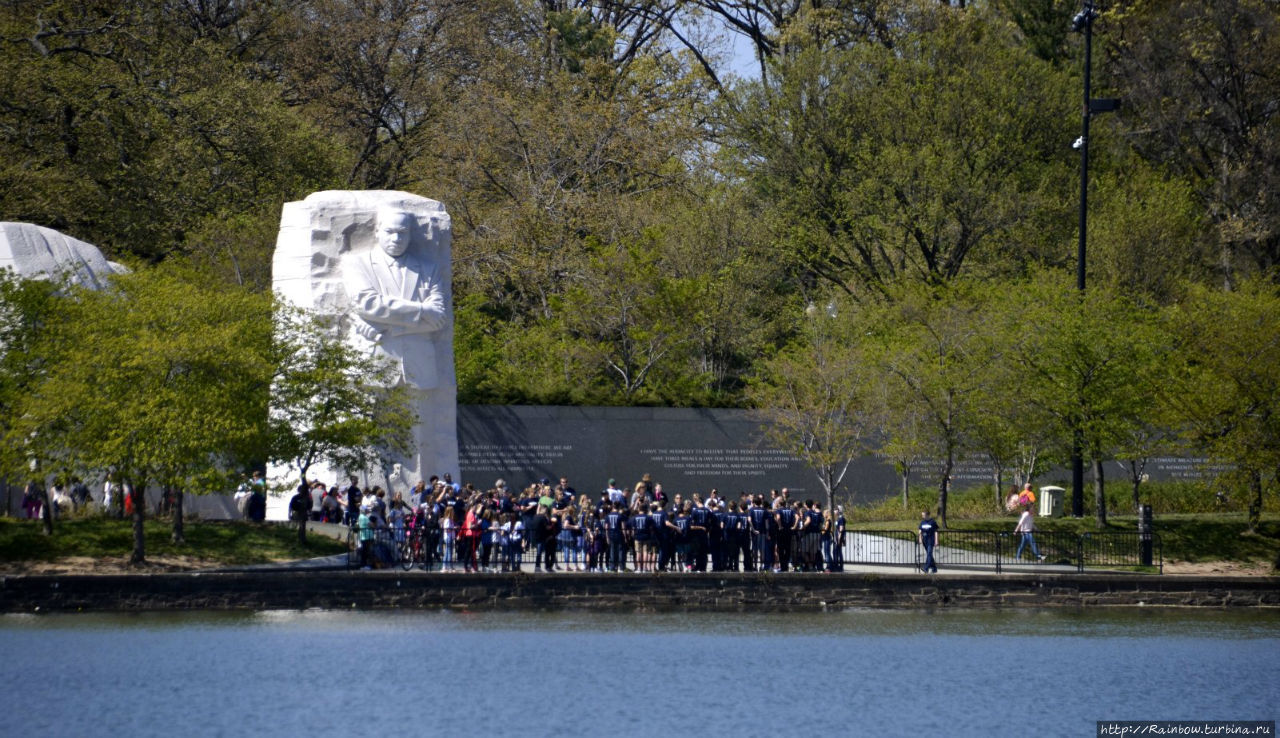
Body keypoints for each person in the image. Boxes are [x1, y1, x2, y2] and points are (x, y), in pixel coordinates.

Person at [344, 207, 455, 484]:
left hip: (417, 364)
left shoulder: (428, 268)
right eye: (390, 232)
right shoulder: (357, 263)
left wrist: (388, 323)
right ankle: (369, 488)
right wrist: (419, 313)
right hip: (374, 360)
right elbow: (366, 302)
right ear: (378, 232)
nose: (396, 238)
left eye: (403, 233)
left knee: (419, 437)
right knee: (365, 433)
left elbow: (438, 316)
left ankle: (416, 491)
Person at [918, 509, 939, 574]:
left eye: (923, 515)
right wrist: (920, 538)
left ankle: (926, 568)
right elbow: (920, 531)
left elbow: (936, 532)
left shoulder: (932, 522)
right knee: (929, 555)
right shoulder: (922, 522)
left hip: (931, 540)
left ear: (927, 515)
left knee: (929, 553)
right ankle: (934, 568)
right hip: (925, 540)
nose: (922, 516)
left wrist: (936, 540)